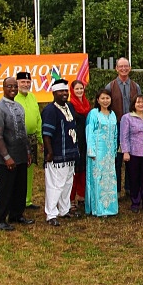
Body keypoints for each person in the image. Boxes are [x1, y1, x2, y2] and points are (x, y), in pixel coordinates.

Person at [0, 77, 35, 230]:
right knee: (6, 188)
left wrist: (28, 151)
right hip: (6, 157)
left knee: (20, 187)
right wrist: (6, 157)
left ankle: (16, 215)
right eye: (9, 86)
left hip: (20, 154)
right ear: (3, 87)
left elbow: (23, 132)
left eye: (15, 86)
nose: (13, 89)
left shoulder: (19, 107)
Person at [41, 79, 79, 226]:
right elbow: (46, 133)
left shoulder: (69, 107)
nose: (64, 93)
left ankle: (64, 209)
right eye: (60, 91)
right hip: (57, 154)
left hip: (70, 153)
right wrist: (49, 152)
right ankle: (51, 214)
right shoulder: (50, 110)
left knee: (68, 183)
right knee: (55, 185)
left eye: (65, 91)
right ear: (54, 93)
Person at [104, 57, 141, 197]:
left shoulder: (136, 87)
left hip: (133, 127)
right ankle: (117, 190)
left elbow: (140, 106)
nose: (124, 69)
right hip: (117, 126)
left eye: (126, 66)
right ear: (116, 68)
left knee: (132, 158)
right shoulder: (110, 86)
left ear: (130, 68)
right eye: (121, 66)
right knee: (117, 159)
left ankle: (130, 188)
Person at [85, 89, 118, 217]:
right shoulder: (93, 114)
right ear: (98, 100)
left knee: (109, 179)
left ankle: (110, 207)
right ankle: (98, 208)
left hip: (109, 153)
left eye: (107, 98)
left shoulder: (113, 114)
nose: (105, 101)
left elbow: (115, 134)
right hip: (97, 152)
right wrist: (91, 151)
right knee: (97, 178)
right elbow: (89, 132)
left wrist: (114, 151)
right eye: (102, 98)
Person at [120, 94, 143, 213]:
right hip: (133, 152)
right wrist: (125, 151)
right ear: (133, 104)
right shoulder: (127, 117)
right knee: (134, 178)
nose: (140, 104)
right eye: (138, 102)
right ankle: (135, 202)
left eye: (142, 102)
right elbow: (124, 136)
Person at [14, 71, 42, 210]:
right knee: (18, 170)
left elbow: (37, 118)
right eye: (22, 82)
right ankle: (17, 200)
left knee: (29, 169)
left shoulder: (32, 97)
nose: (25, 84)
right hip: (18, 139)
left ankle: (27, 200)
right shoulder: (13, 98)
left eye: (28, 82)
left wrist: (40, 138)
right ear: (17, 83)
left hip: (31, 138)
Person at [69, 79, 90, 214]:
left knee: (83, 170)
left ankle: (81, 196)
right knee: (75, 171)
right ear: (72, 90)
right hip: (75, 141)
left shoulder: (86, 104)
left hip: (86, 141)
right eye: (77, 89)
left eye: (81, 88)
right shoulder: (70, 105)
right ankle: (71, 199)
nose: (79, 91)